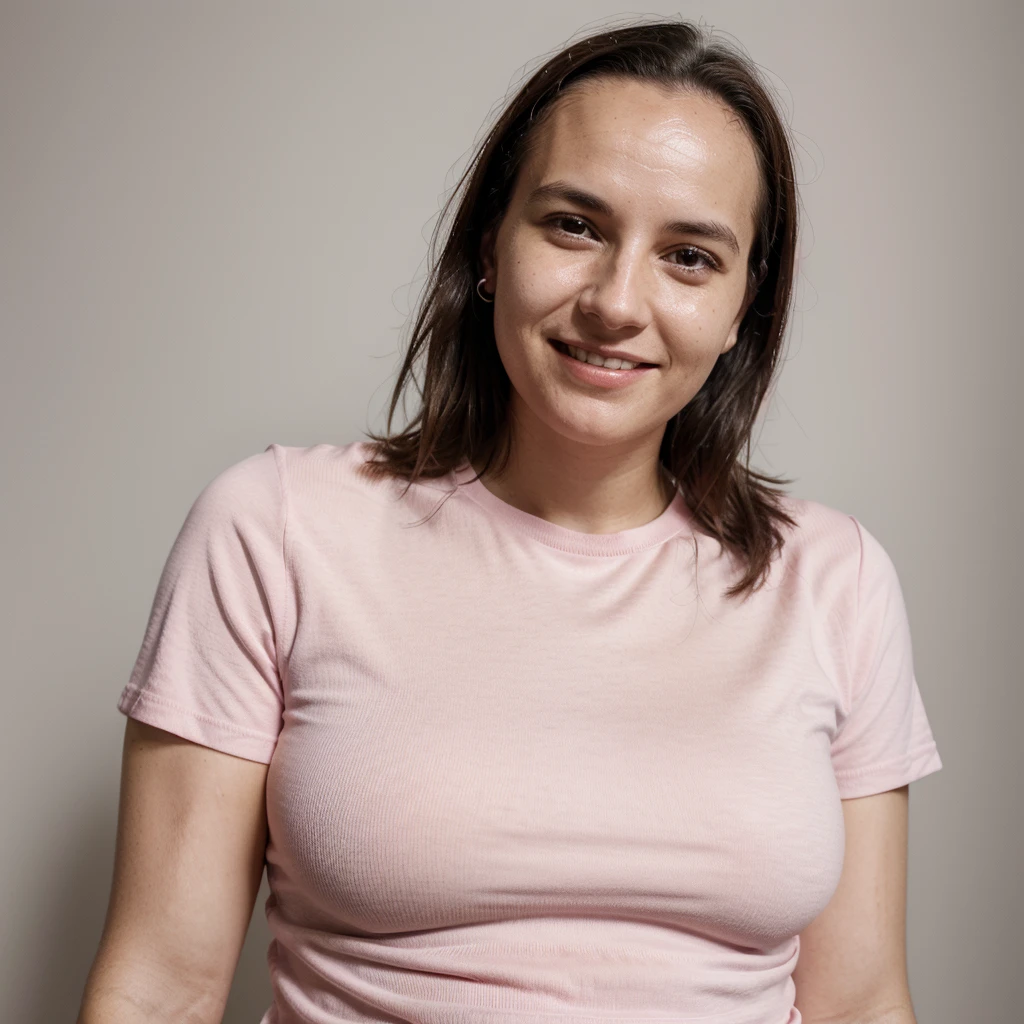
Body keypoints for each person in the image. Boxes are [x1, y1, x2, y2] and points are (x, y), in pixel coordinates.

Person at [77, 19, 942, 1024]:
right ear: (491, 243)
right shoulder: (273, 529)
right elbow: (159, 988)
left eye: (690, 256)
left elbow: (861, 1000)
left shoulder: (834, 576)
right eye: (574, 225)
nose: (617, 302)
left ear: (745, 302)